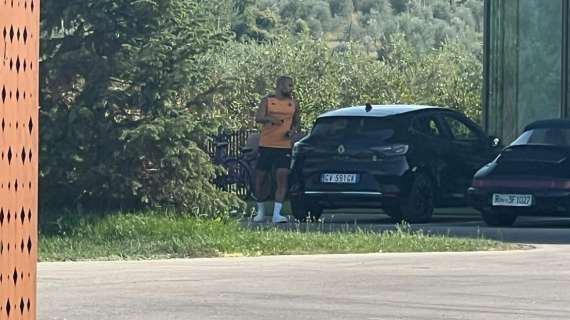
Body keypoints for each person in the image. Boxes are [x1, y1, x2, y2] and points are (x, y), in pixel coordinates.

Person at [253, 76, 300, 223]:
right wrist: (270, 119)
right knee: (260, 179)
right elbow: (258, 117)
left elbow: (297, 123)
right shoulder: (267, 101)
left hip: (283, 147)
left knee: (282, 177)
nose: (291, 88)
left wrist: (293, 132)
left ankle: (276, 214)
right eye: (289, 85)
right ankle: (260, 212)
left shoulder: (293, 104)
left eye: (292, 85)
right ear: (279, 85)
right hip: (266, 145)